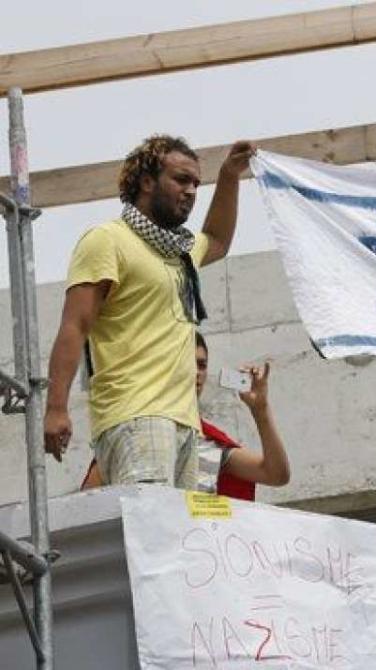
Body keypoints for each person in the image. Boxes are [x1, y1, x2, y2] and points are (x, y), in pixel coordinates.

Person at [44, 135, 255, 490]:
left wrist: (230, 175)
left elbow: (217, 239)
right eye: (180, 179)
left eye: (196, 184)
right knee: (154, 533)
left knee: (176, 538)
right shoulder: (107, 239)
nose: (190, 191)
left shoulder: (180, 252)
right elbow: (75, 325)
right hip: (137, 415)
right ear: (146, 182)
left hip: (184, 422)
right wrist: (56, 407)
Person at [81, 332, 291, 499]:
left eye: (202, 365)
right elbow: (88, 507)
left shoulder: (209, 442)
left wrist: (260, 409)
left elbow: (276, 474)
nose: (196, 372)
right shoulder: (136, 433)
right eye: (186, 362)